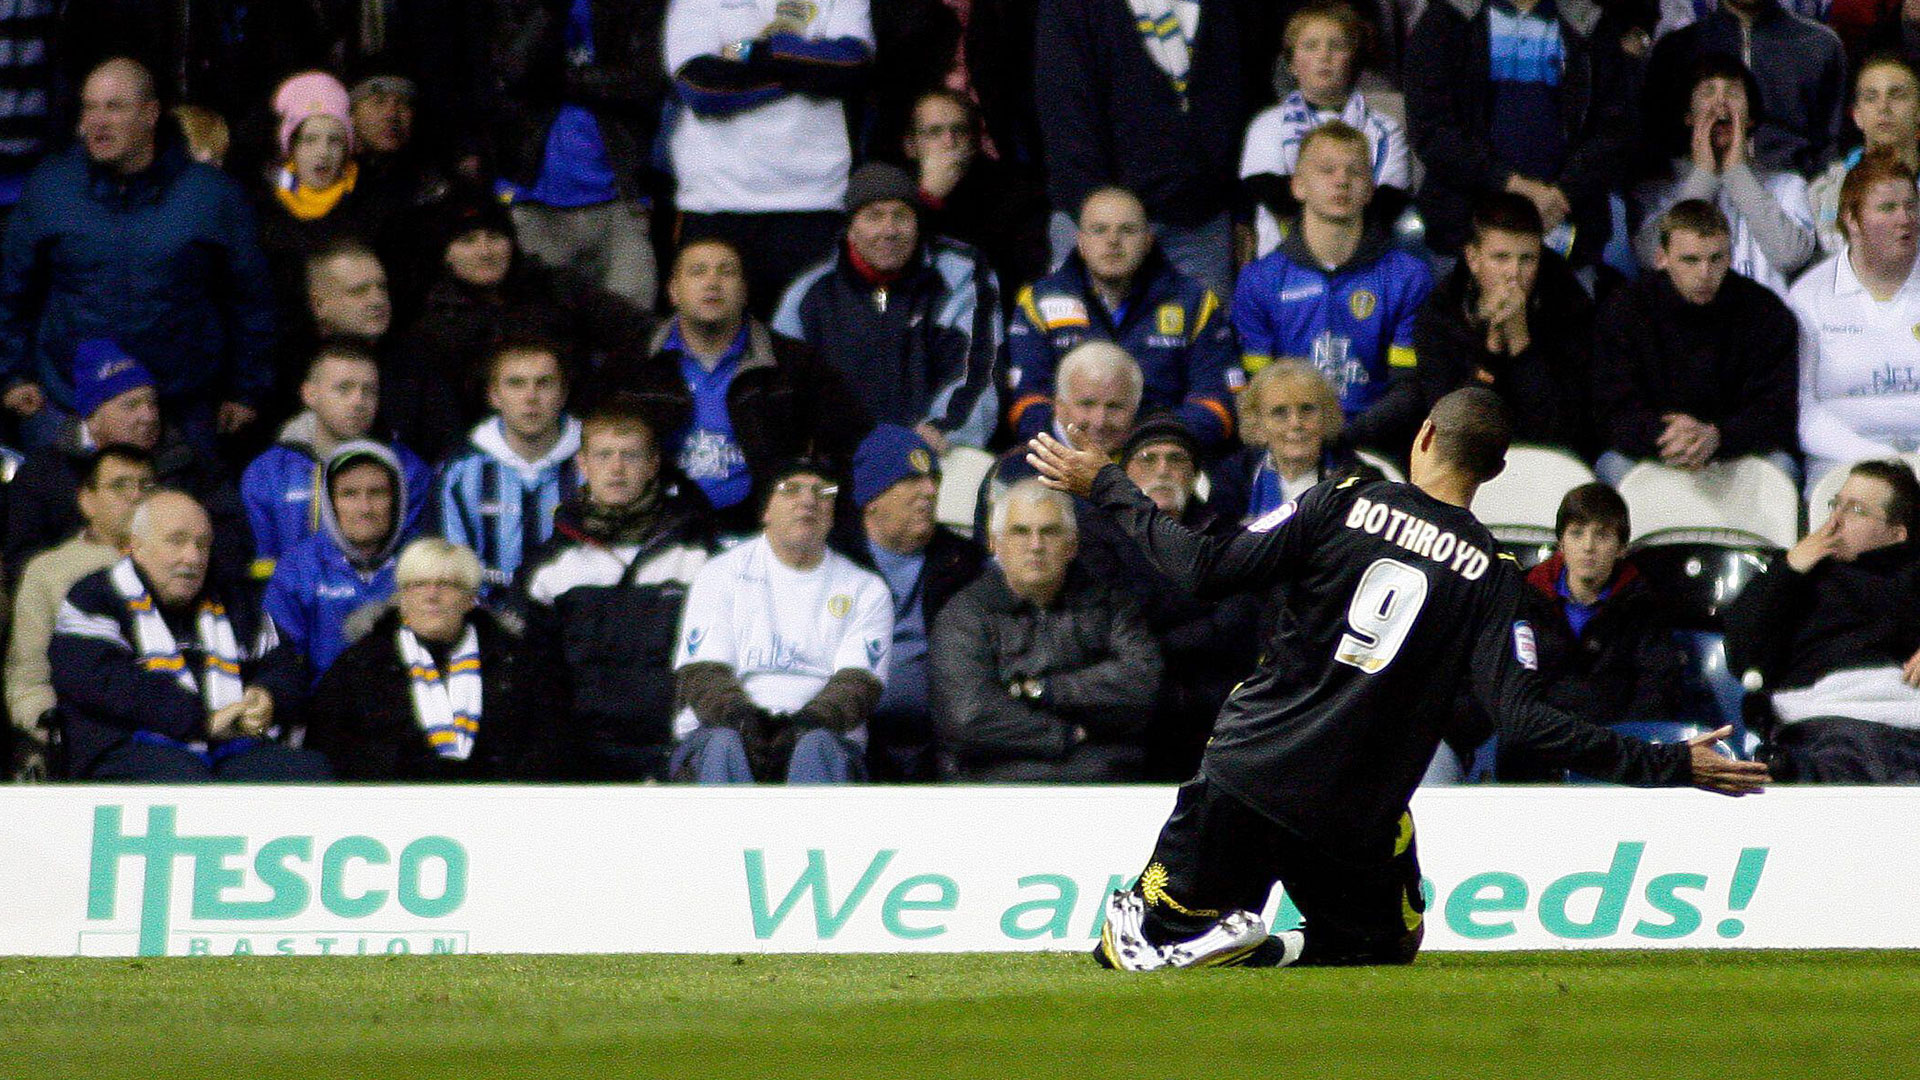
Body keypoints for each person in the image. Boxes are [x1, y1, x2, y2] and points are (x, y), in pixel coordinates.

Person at [1025, 387, 1767, 971]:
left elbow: (1203, 568)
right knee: (1379, 952)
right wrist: (1672, 763)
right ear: (1498, 471)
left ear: (1423, 439)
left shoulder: (1341, 500)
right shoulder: (1498, 579)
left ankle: (1197, 936)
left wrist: (1109, 487)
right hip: (1352, 816)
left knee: (1130, 947)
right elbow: (1527, 722)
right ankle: (1258, 945)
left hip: (1246, 778)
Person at [0, 57, 275, 451]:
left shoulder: (212, 194)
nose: (97, 120)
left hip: (182, 406)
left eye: (114, 107)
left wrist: (248, 390)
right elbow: (11, 290)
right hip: (67, 402)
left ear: (150, 114)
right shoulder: (50, 187)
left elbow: (251, 300)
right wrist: (12, 376)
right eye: (89, 107)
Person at [49, 490, 330, 780]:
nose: (193, 557)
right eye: (176, 541)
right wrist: (203, 721)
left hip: (234, 747)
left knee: (308, 771)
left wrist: (267, 696)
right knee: (185, 780)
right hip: (126, 745)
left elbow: (282, 668)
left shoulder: (235, 600)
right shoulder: (94, 597)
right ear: (137, 545)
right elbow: (103, 683)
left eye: (203, 544)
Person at [600, 236, 870, 533]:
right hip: (656, 530)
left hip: (763, 534)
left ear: (744, 291)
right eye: (698, 271)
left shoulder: (796, 364)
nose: (712, 282)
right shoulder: (632, 364)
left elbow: (850, 444)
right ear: (673, 291)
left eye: (726, 272)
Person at [515, 396, 714, 781]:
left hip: (674, 748)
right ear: (583, 465)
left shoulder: (697, 555)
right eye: (604, 456)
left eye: (631, 456)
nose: (617, 469)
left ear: (654, 464)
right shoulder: (549, 564)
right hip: (577, 754)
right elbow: (534, 673)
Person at [671, 458, 892, 783]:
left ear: (832, 514)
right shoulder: (720, 574)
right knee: (724, 743)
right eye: (790, 490)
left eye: (822, 492)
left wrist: (808, 724)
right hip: (725, 729)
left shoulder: (865, 588)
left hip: (824, 736)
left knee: (815, 747)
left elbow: (859, 684)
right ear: (765, 512)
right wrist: (743, 721)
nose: (808, 500)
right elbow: (702, 675)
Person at [931, 477, 1160, 780]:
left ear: (1072, 545)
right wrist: (1065, 734)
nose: (1036, 545)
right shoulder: (965, 614)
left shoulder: (1110, 604)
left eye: (1050, 532)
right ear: (994, 544)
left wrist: (1042, 690)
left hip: (1102, 777)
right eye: (1020, 532)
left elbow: (1142, 685)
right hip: (993, 780)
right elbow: (968, 716)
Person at [773, 162, 1002, 452]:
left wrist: (940, 430)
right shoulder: (811, 293)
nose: (889, 230)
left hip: (931, 451)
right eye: (873, 217)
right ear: (850, 230)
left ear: (918, 224)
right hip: (840, 457)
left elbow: (980, 368)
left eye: (901, 216)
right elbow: (782, 385)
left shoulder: (960, 274)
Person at [667, 0, 874, 318]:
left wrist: (753, 51)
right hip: (716, 201)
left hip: (814, 202)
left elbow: (851, 63)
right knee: (716, 348)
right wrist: (806, 69)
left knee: (810, 350)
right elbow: (702, 87)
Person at [1234, 123, 1432, 454]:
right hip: (1287, 446)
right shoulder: (1259, 280)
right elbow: (1257, 387)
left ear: (1370, 189)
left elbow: (1408, 389)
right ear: (1298, 186)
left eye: (1355, 172)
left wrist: (1345, 440)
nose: (1341, 180)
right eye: (1326, 170)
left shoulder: (1409, 277)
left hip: (1377, 448)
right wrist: (1302, 437)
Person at [403, 193, 649, 456]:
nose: (485, 251)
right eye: (468, 241)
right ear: (446, 255)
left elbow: (636, 332)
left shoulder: (555, 288)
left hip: (577, 439)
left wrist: (594, 401)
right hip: (480, 452)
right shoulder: (434, 327)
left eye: (495, 238)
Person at [1033, 0, 1244, 300]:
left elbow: (1232, 98)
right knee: (1092, 347)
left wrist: (1233, 203)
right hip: (1102, 223)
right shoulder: (1072, 7)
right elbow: (1065, 113)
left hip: (1198, 224)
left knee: (1203, 345)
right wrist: (1099, 215)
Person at [1726, 460, 1920, 782]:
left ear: (1897, 534)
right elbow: (1742, 651)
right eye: (1835, 504)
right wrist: (1788, 570)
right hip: (1824, 720)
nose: (1834, 520)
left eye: (1855, 510)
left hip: (1907, 715)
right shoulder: (1803, 576)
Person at [1404, 0, 1634, 267]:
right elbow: (1431, 130)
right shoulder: (1447, 20)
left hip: (1568, 231)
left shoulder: (1590, 23)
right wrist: (1510, 183)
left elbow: (1616, 131)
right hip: (1462, 236)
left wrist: (1562, 194)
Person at [1006, 186, 1236, 451]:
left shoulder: (1195, 303)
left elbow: (1217, 406)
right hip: (1065, 457)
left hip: (1162, 457)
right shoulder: (1039, 301)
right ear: (1080, 241)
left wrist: (1142, 438)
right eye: (1099, 230)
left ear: (1149, 240)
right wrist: (1085, 441)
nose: (1113, 240)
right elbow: (1025, 406)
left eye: (1127, 230)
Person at [1500, 483, 1703, 780]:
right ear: (1561, 543)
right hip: (1538, 751)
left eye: (1602, 535)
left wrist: (1618, 750)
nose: (1588, 547)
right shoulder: (1524, 599)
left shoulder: (1643, 606)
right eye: (1577, 533)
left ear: (1621, 548)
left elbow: (1656, 688)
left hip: (1616, 754)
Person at [5, 340, 250, 586]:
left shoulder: (191, 461)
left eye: (152, 403)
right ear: (92, 416)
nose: (148, 416)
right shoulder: (44, 473)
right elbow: (23, 560)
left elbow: (231, 539)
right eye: (130, 406)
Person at [306, 538, 552, 780]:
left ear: (469, 598)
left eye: (446, 584)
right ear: (402, 597)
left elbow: (547, 748)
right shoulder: (359, 664)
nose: (431, 595)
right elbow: (330, 751)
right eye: (418, 585)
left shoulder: (517, 661)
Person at [1592, 199, 1799, 486]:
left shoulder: (1765, 313)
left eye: (1716, 259)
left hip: (1735, 450)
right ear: (1661, 258)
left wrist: (1718, 436)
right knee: (1611, 467)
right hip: (1652, 449)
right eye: (1690, 260)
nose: (1704, 273)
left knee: (1781, 470)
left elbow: (1776, 412)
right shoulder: (1624, 311)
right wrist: (1666, 437)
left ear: (1730, 256)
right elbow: (1610, 410)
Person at [490, 0, 669, 314]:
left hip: (620, 203)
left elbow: (647, 82)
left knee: (631, 333)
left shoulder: (638, 6)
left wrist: (555, 81)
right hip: (535, 204)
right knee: (543, 336)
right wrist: (550, 9)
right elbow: (516, 70)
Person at [1109, 417, 1260, 780]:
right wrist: (1196, 606)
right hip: (1130, 695)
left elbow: (1234, 626)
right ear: (1126, 473)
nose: (1163, 470)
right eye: (1148, 459)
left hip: (1213, 695)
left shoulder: (1228, 538)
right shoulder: (1100, 535)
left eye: (1177, 460)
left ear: (1194, 475)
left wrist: (1154, 631)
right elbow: (1108, 622)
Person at [839, 424, 985, 780]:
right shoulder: (834, 561)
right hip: (852, 727)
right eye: (911, 481)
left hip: (947, 732)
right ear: (871, 499)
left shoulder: (965, 561)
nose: (929, 491)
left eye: (932, 478)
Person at [6, 445, 153, 779]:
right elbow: (28, 676)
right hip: (82, 732)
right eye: (120, 485)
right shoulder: (49, 571)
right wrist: (46, 722)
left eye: (147, 486)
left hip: (168, 728)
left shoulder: (179, 565)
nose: (136, 496)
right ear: (87, 499)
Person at [1414, 193, 1595, 457]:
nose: (1513, 273)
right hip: (1468, 457)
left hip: (1550, 459)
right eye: (1500, 258)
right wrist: (1492, 347)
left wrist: (1520, 341)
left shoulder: (1570, 306)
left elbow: (1559, 429)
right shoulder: (1442, 312)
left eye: (1527, 259)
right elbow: (1450, 427)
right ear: (1473, 258)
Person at [1632, 56, 1817, 299]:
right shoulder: (1658, 190)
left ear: (1750, 117)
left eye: (1732, 93)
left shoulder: (1788, 185)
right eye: (1708, 92)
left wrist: (1737, 173)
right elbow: (1652, 257)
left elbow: (1790, 256)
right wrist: (1703, 177)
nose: (1720, 104)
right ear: (1688, 115)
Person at [1238, 1, 1412, 259]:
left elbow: (1388, 202)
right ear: (1291, 63)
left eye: (1337, 46)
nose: (1324, 56)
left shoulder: (1386, 129)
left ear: (1353, 58)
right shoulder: (1267, 126)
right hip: (1285, 264)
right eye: (1310, 46)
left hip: (1365, 264)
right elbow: (1272, 195)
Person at [241, 343, 431, 578]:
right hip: (291, 606)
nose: (358, 401)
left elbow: (413, 562)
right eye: (344, 389)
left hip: (376, 607)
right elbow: (260, 563)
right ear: (310, 394)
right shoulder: (268, 471)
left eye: (369, 391)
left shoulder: (407, 469)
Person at [1789, 149, 1920, 489]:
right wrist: (1879, 459)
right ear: (1850, 217)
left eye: (1910, 205)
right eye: (1888, 208)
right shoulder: (1809, 295)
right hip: (1843, 461)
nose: (1905, 219)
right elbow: (1802, 410)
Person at [438, 340, 583, 597]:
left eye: (544, 383)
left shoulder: (592, 467)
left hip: (573, 621)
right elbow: (451, 567)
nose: (531, 397)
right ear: (494, 395)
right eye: (516, 384)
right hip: (487, 623)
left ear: (563, 395)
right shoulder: (459, 473)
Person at [263, 442, 417, 679]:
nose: (365, 508)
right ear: (329, 502)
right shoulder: (298, 568)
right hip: (322, 709)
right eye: (349, 494)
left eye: (377, 493)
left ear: (397, 499)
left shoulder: (421, 564)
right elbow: (280, 660)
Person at [1643, 0, 1846, 178]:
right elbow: (1659, 148)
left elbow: (1830, 146)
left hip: (1794, 194)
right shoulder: (1676, 48)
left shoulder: (1821, 46)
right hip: (1697, 192)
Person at [901, 89, 1051, 302]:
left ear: (975, 140)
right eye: (934, 132)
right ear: (910, 146)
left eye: (959, 130)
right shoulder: (894, 192)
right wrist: (927, 199)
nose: (949, 142)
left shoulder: (1015, 194)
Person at [976, 340, 1141, 533]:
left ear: (1135, 409)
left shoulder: (1153, 466)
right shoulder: (1013, 471)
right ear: (1059, 406)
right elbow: (991, 554)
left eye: (1115, 407)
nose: (1100, 421)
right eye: (1087, 404)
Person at [1211, 360, 1360, 524]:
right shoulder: (1234, 478)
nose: (1295, 423)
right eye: (1279, 412)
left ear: (1327, 418)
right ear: (1258, 425)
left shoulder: (1357, 479)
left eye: (1307, 409)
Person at [1808, 54, 1920, 256]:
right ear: (1857, 115)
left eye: (1897, 95)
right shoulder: (1823, 192)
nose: (1883, 107)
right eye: (1871, 97)